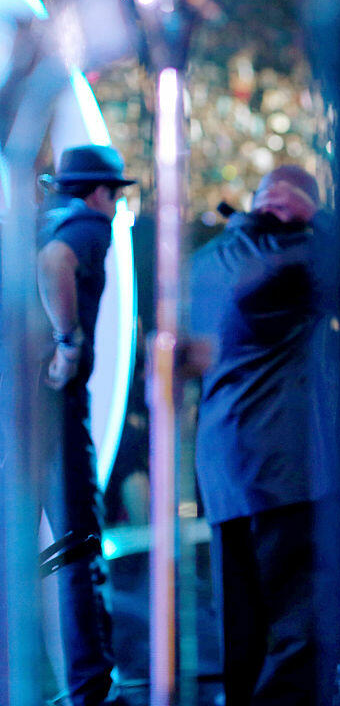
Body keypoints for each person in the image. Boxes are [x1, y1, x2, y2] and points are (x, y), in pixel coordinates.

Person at [191, 165, 326, 704]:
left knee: (239, 622)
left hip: (222, 464)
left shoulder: (203, 261)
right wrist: (322, 221)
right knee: (296, 626)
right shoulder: (284, 260)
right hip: (280, 463)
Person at [36, 144, 135, 706]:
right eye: (116, 196)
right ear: (101, 192)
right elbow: (57, 264)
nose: (117, 207)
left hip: (15, 411)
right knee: (77, 545)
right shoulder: (88, 226)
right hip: (52, 411)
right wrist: (68, 342)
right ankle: (88, 688)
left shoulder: (35, 223)